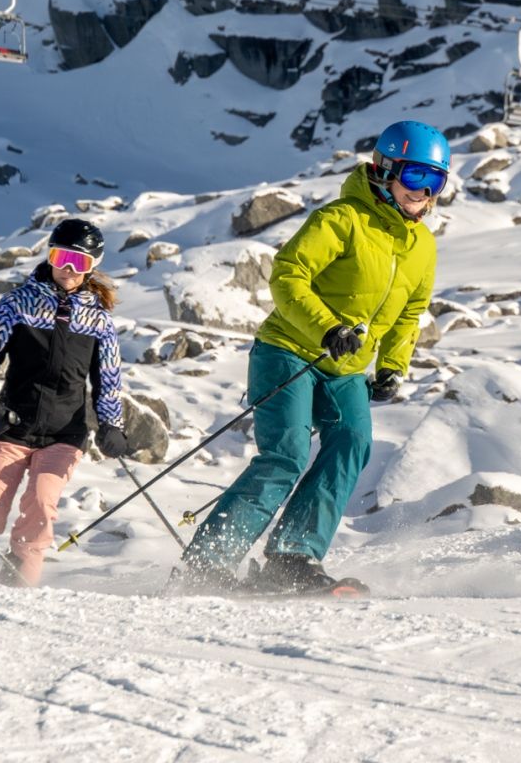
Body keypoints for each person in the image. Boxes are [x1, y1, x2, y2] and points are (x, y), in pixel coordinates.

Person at [178, 119, 445, 595]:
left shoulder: (421, 244)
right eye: (414, 177)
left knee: (351, 443)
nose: (421, 192)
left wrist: (391, 366)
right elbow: (287, 275)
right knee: (286, 455)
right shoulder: (341, 219)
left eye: (434, 180)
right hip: (289, 349)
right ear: (385, 170)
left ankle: (292, 556)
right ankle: (207, 563)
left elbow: (411, 311)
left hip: (345, 368)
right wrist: (327, 327)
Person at [0, 217, 129, 586]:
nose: (68, 269)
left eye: (79, 262)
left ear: (93, 267)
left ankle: (19, 583)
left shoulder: (99, 321)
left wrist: (112, 424)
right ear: (49, 256)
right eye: (61, 257)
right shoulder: (19, 303)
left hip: (64, 434)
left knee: (40, 506)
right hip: (12, 426)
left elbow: (109, 380)